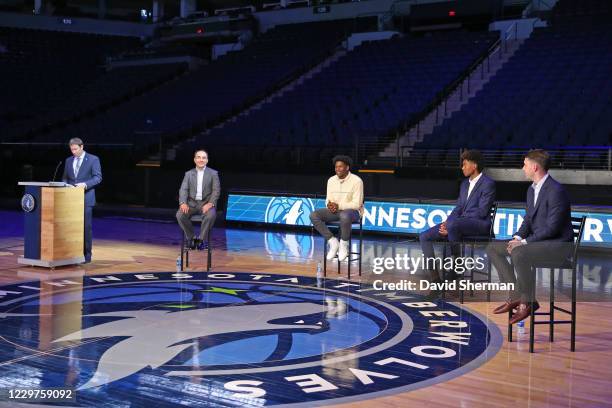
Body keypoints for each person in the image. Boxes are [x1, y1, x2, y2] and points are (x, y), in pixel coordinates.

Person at [487, 149, 573, 324]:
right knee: (492, 248)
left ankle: (527, 302)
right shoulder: (531, 190)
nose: (522, 168)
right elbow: (528, 220)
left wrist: (524, 243)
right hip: (537, 243)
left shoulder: (556, 190)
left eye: (525, 165)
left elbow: (552, 228)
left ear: (535, 167)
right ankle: (516, 294)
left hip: (557, 246)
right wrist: (518, 237)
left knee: (519, 253)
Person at [419, 149, 496, 283]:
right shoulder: (464, 184)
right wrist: (446, 222)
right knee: (424, 236)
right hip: (458, 225)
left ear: (475, 165)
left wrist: (455, 222)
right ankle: (436, 279)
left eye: (465, 164)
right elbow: (459, 207)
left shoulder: (488, 183)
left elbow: (483, 211)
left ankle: (456, 267)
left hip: (479, 224)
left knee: (454, 225)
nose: (462, 167)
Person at [310, 155, 363, 262]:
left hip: (353, 212)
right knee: (314, 215)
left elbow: (357, 204)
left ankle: (344, 244)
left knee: (344, 215)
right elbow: (328, 199)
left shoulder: (357, 181)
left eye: (340, 167)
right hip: (336, 211)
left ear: (347, 167)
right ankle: (332, 241)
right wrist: (329, 205)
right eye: (336, 167)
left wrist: (339, 206)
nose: (337, 169)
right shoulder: (331, 180)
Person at [61, 137, 102, 264]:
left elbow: (98, 178)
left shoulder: (93, 159)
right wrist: (65, 185)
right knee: (71, 227)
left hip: (86, 199)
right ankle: (72, 253)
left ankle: (86, 255)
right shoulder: (68, 161)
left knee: (85, 227)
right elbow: (65, 178)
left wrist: (85, 185)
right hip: (71, 200)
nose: (73, 152)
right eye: (71, 149)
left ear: (82, 147)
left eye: (75, 149)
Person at [176, 149, 220, 250]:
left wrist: (210, 204)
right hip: (191, 204)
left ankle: (201, 240)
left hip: (206, 203)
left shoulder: (213, 173)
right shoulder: (188, 174)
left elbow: (216, 190)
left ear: (207, 160)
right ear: (195, 160)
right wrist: (182, 202)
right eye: (199, 157)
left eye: (204, 158)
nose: (201, 160)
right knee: (180, 215)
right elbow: (183, 189)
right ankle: (191, 238)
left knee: (210, 216)